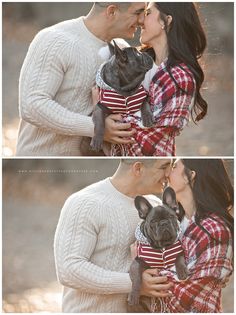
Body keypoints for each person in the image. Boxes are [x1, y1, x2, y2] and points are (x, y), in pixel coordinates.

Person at [16, 2, 147, 156]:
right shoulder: (54, 40)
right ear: (112, 11)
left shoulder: (123, 50)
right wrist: (96, 128)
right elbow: (32, 105)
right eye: (138, 12)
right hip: (40, 161)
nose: (142, 20)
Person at [54, 159, 173, 312]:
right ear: (138, 168)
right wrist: (135, 283)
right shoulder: (85, 203)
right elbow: (69, 269)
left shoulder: (156, 207)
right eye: (164, 167)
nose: (168, 174)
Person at [111, 3, 208, 156]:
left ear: (166, 21)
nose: (140, 20)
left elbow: (149, 136)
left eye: (148, 13)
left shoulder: (181, 78)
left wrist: (106, 119)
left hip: (149, 163)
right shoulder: (134, 63)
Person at [162, 159, 233, 312]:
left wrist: (146, 278)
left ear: (190, 176)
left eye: (174, 167)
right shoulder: (173, 222)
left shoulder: (216, 230)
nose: (167, 173)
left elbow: (188, 294)